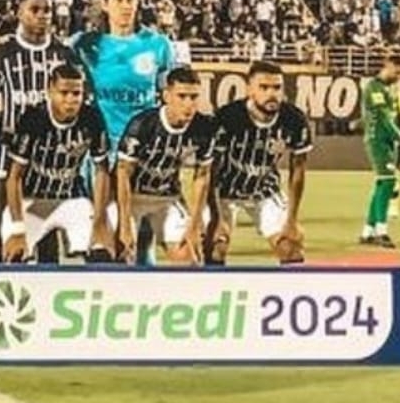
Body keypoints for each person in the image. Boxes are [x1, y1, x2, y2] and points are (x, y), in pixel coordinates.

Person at [71, 0, 179, 264]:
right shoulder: (84, 45)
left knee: (142, 228)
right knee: (102, 221)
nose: (126, 5)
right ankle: (102, 285)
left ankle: (142, 291)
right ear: (105, 5)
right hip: (101, 149)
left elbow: (169, 93)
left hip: (142, 148)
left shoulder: (157, 45)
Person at [0, 0, 82, 262]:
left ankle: (42, 301)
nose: (42, 15)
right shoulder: (1, 55)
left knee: (46, 247)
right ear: (19, 12)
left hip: (50, 168)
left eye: (47, 10)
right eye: (35, 9)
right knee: (2, 238)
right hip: (8, 162)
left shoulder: (64, 55)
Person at [2, 65, 111, 263]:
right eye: (64, 93)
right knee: (15, 255)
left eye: (76, 93)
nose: (71, 100)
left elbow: (102, 171)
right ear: (50, 91)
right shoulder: (33, 118)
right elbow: (14, 176)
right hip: (32, 201)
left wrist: (100, 220)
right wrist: (18, 228)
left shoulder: (92, 117)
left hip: (72, 200)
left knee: (102, 252)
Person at [207, 62, 312, 265]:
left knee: (290, 246)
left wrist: (292, 220)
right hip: (225, 193)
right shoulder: (228, 117)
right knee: (214, 245)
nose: (271, 94)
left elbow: (298, 170)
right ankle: (212, 293)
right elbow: (211, 169)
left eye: (277, 88)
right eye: (263, 88)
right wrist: (216, 217)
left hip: (265, 191)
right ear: (249, 89)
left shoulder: (294, 120)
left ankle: (291, 294)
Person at [115, 67, 216, 265]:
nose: (188, 104)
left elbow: (202, 176)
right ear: (166, 96)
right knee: (122, 255)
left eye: (194, 97)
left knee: (189, 259)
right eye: (182, 96)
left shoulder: (204, 128)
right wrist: (125, 224)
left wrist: (194, 225)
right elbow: (123, 173)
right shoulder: (142, 124)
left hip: (167, 197)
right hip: (132, 197)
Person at [359, 55, 400, 248]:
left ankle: (368, 232)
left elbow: (396, 117)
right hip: (377, 140)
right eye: (397, 72)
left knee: (382, 183)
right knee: (388, 182)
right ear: (388, 66)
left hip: (388, 142)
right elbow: (383, 118)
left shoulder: (390, 89)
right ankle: (381, 231)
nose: (399, 77)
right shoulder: (373, 87)